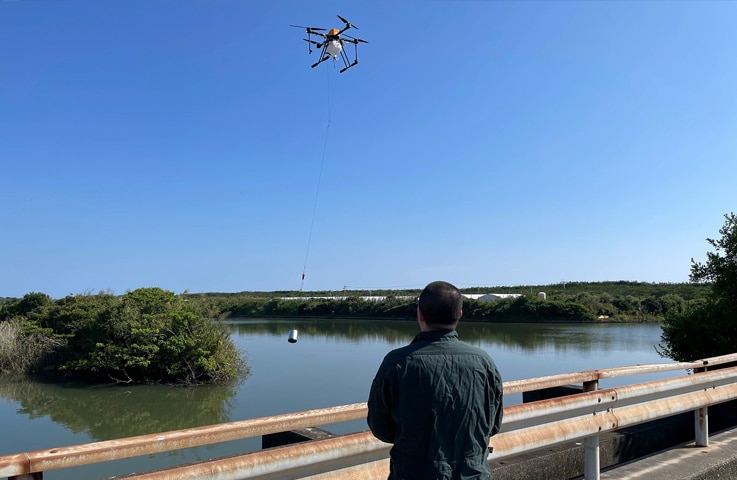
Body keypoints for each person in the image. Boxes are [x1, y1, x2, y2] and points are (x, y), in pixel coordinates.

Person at [367, 280, 504, 480]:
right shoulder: (484, 363)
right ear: (459, 315)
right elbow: (493, 425)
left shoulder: (396, 363)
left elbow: (381, 428)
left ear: (420, 314)